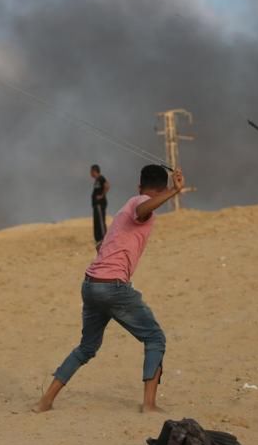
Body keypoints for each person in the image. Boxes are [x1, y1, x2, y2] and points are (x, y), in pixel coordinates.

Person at [35, 165, 185, 413]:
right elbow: (143, 209)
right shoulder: (139, 203)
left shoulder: (122, 211)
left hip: (91, 284)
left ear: (139, 184)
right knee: (155, 337)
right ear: (157, 191)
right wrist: (174, 191)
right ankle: (149, 404)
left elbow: (102, 247)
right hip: (112, 287)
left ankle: (46, 400)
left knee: (86, 348)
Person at [90, 164, 110, 249]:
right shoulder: (97, 180)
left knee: (101, 221)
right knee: (96, 221)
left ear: (95, 171)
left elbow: (107, 185)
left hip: (100, 204)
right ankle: (98, 238)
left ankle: (104, 238)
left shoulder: (101, 178)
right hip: (96, 204)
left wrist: (102, 195)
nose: (90, 173)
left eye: (91, 171)